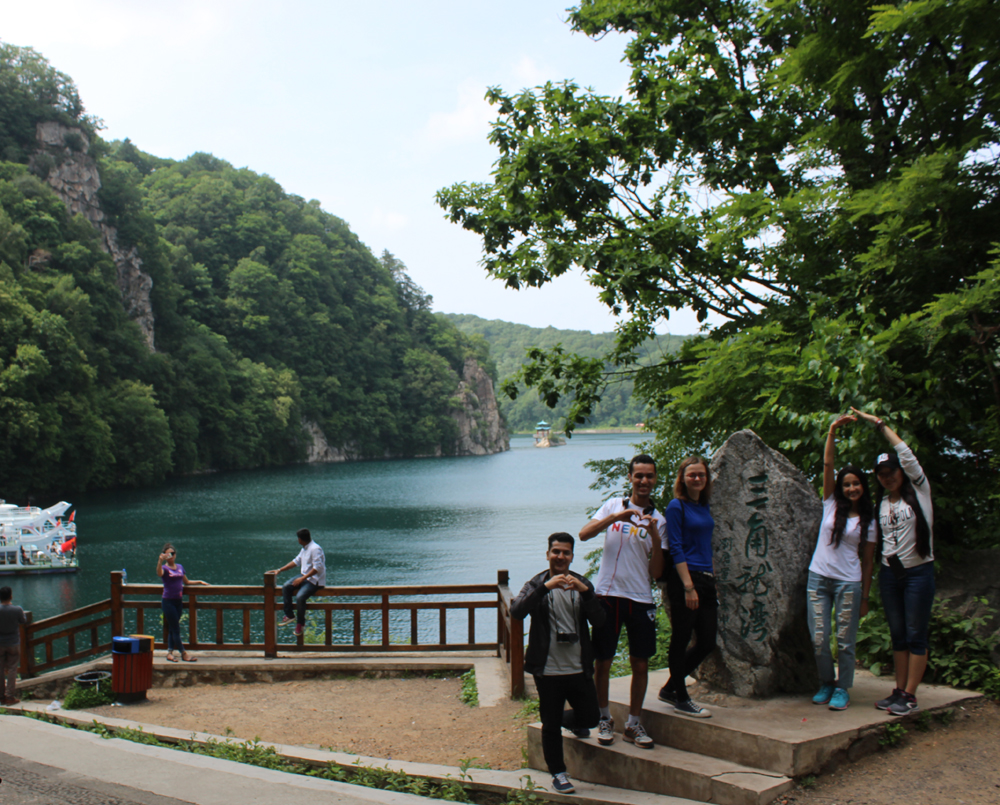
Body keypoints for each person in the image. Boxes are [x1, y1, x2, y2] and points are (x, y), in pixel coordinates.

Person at [851, 407, 935, 716]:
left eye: (893, 473)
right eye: (882, 475)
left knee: (916, 633)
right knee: (897, 634)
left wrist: (880, 425)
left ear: (902, 472)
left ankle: (910, 695)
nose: (888, 478)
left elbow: (906, 453)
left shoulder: (920, 492)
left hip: (918, 573)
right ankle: (899, 690)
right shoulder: (882, 503)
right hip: (891, 575)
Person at [580, 455, 665, 749]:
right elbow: (583, 534)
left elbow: (656, 573)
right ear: (630, 477)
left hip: (640, 598)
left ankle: (633, 724)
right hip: (608, 594)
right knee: (602, 661)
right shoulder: (613, 506)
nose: (644, 481)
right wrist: (616, 518)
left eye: (649, 476)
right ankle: (604, 718)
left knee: (640, 664)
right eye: (639, 475)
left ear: (655, 480)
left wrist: (653, 533)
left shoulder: (660, 520)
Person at [511, 533, 605, 795]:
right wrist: (545, 588)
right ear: (548, 554)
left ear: (572, 556)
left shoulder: (581, 584)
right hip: (548, 669)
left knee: (591, 717)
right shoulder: (537, 583)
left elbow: (599, 621)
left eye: (565, 552)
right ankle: (558, 774)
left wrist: (586, 593)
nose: (560, 557)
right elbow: (517, 611)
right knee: (550, 725)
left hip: (578, 667)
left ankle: (570, 721)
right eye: (556, 552)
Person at [804, 415, 876, 712]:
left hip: (849, 582)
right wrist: (832, 432)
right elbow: (828, 466)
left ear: (863, 486)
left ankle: (843, 688)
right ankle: (826, 682)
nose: (850, 488)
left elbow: (869, 562)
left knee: (845, 642)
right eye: (846, 484)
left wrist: (865, 598)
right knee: (819, 638)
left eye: (856, 483)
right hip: (818, 577)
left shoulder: (869, 521)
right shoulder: (831, 503)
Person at [657, 456, 718, 718]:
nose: (697, 479)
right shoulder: (676, 506)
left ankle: (671, 687)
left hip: (706, 578)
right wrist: (688, 586)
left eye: (701, 475)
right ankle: (681, 697)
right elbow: (676, 546)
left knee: (707, 641)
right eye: (691, 475)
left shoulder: (703, 506)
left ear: (707, 478)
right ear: (682, 478)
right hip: (685, 579)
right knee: (681, 639)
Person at [157, 543, 210, 662]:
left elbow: (187, 582)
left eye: (172, 553)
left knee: (172, 627)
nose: (171, 556)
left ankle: (170, 653)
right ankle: (183, 653)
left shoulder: (180, 567)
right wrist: (160, 561)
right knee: (176, 629)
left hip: (178, 601)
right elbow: (159, 573)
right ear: (165, 555)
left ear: (175, 555)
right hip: (168, 601)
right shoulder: (164, 568)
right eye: (168, 553)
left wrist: (200, 582)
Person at [271, 528, 326, 636]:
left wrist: (302, 578)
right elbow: (296, 561)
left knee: (300, 597)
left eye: (298, 538)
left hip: (314, 580)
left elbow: (318, 568)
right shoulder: (305, 548)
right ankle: (289, 615)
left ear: (300, 539)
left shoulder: (315, 549)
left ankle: (300, 624)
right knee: (286, 586)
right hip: (304, 577)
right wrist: (279, 570)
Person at [1, 586, 27, 705]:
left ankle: (1, 696)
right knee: (12, 669)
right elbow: (23, 621)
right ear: (11, 596)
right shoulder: (17, 609)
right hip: (13, 643)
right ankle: (10, 697)